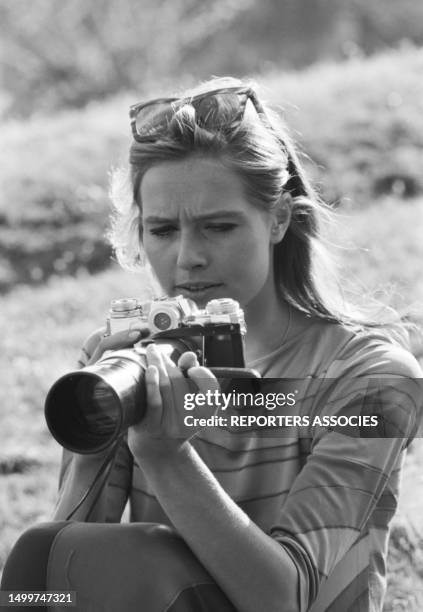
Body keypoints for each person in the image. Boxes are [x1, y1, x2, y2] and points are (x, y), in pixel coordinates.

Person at [2, 77, 422, 612]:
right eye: (161, 230)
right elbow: (57, 583)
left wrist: (167, 456)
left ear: (278, 219)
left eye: (217, 227)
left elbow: (287, 601)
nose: (187, 258)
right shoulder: (130, 365)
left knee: (136, 559)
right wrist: (97, 437)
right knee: (36, 556)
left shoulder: (370, 378)